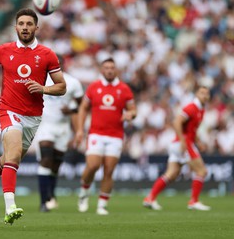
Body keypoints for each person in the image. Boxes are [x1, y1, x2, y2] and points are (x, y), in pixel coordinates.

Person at [0, 8, 66, 225]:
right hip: (8, 110)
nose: (25, 27)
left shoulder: (47, 55)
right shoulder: (3, 50)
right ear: (15, 27)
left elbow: (61, 87)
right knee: (13, 155)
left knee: (8, 160)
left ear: (36, 27)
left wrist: (43, 89)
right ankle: (10, 207)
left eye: (29, 24)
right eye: (21, 24)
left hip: (33, 117)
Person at [75, 57, 136, 215]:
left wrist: (130, 115)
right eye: (106, 67)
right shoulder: (94, 87)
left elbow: (133, 109)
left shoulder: (124, 89)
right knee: (93, 166)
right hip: (96, 133)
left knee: (109, 170)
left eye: (112, 67)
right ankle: (84, 192)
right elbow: (83, 108)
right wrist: (80, 129)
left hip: (115, 135)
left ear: (115, 70)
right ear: (102, 70)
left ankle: (102, 204)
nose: (109, 70)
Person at [143, 86, 211, 211]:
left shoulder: (201, 110)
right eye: (202, 93)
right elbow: (177, 122)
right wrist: (183, 140)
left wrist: (199, 142)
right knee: (202, 171)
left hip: (179, 143)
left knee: (171, 174)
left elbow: (192, 130)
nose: (205, 96)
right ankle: (194, 201)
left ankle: (150, 198)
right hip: (183, 144)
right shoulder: (191, 107)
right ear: (196, 94)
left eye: (207, 94)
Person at [35, 55, 84, 212]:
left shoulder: (73, 83)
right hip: (45, 125)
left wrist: (71, 112)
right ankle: (43, 202)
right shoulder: (40, 79)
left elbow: (82, 106)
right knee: (46, 159)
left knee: (55, 165)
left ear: (63, 65)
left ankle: (51, 195)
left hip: (63, 128)